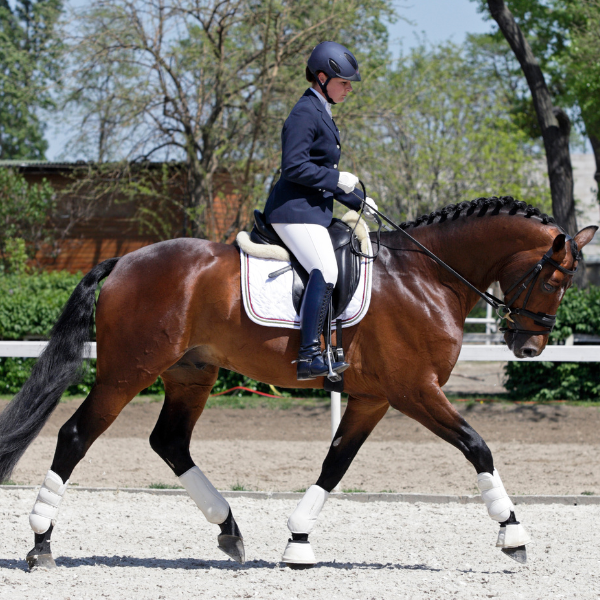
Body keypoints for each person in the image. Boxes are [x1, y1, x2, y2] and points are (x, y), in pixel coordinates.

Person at [263, 41, 378, 381]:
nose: (349, 89)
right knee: (325, 269)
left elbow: (321, 176)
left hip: (311, 210)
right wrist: (337, 178)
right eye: (344, 82)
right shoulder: (304, 113)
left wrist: (356, 199)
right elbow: (294, 168)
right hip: (292, 211)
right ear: (322, 77)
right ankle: (309, 353)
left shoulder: (322, 112)